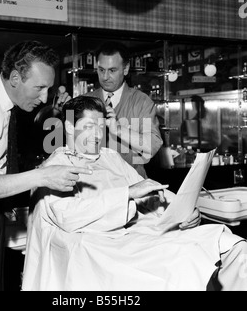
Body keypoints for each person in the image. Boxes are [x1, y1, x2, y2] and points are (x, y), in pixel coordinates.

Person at [22, 96, 247, 291]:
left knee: (235, 245)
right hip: (105, 244)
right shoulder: (56, 166)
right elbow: (67, 216)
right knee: (185, 259)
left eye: (101, 126)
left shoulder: (110, 157)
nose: (98, 134)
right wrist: (127, 193)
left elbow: (149, 190)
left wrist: (183, 211)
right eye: (89, 126)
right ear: (70, 127)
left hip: (141, 231)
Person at [0, 41, 92, 291]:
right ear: (15, 78)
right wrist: (42, 176)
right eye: (39, 87)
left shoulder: (9, 106)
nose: (44, 96)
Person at [85, 41, 163, 178]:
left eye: (112, 70)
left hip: (133, 183)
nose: (105, 77)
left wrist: (119, 130)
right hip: (95, 186)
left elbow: (152, 146)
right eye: (101, 70)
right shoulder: (86, 101)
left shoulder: (141, 102)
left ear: (125, 69)